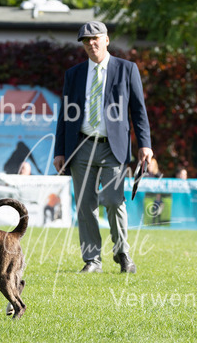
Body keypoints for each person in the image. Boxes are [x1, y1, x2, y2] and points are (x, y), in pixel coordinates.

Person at [53, 20, 153, 274]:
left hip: (114, 148)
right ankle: (92, 260)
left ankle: (122, 253)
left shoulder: (127, 69)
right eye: (86, 40)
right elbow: (64, 115)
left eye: (95, 38)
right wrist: (59, 151)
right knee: (85, 204)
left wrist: (145, 145)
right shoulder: (73, 74)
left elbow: (139, 111)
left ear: (106, 39)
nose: (91, 43)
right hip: (81, 147)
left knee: (113, 200)